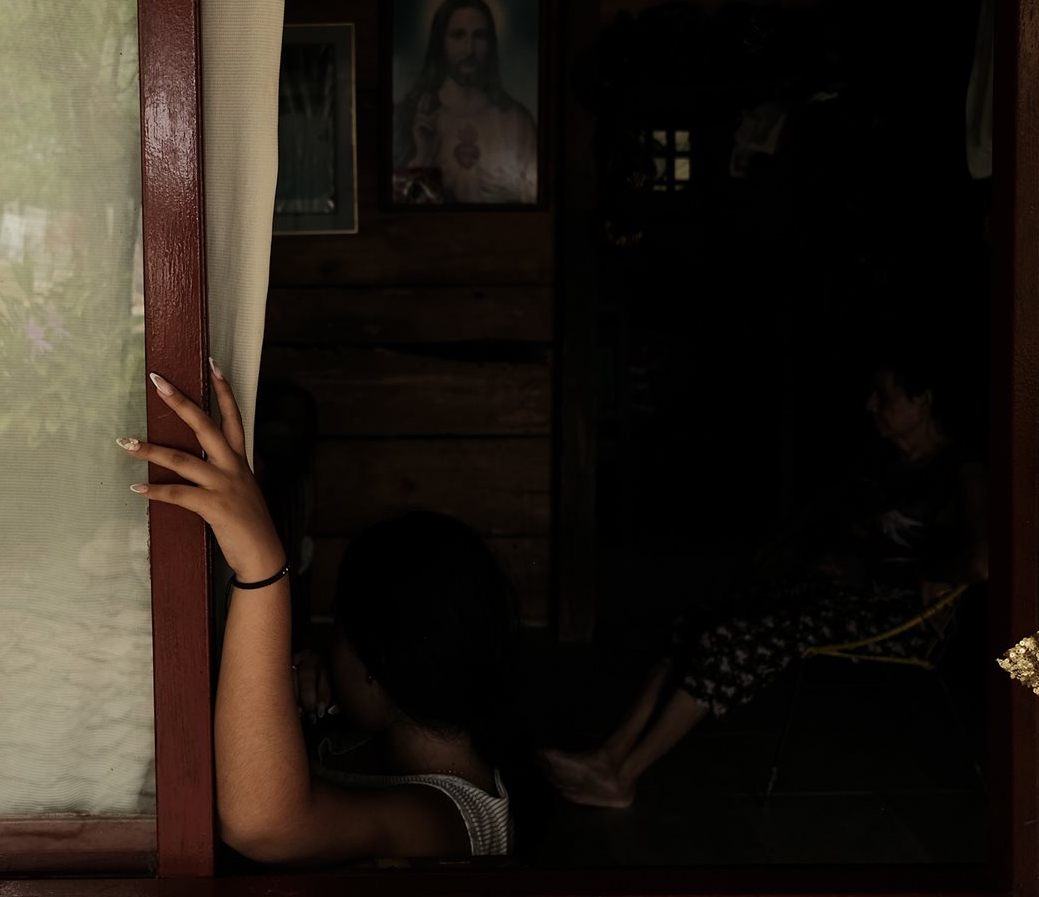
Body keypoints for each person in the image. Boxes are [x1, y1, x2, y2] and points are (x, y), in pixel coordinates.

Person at [542, 351, 988, 809]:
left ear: (924, 401)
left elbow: (981, 561)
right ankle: (611, 754)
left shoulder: (960, 470)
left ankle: (625, 779)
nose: (870, 405)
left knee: (734, 639)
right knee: (702, 618)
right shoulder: (890, 465)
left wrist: (930, 576)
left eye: (884, 395)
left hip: (901, 619)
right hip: (848, 596)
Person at [121, 362, 527, 862]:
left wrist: (262, 570)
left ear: (374, 669)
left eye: (339, 636)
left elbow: (263, 825)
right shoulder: (387, 747)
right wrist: (287, 681)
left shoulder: (453, 820)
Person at [392, 0, 538, 205]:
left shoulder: (516, 121)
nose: (469, 50)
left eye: (479, 36)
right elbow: (401, 210)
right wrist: (424, 155)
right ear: (440, 43)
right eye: (457, 36)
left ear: (491, 44)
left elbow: (534, 200)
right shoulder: (413, 116)